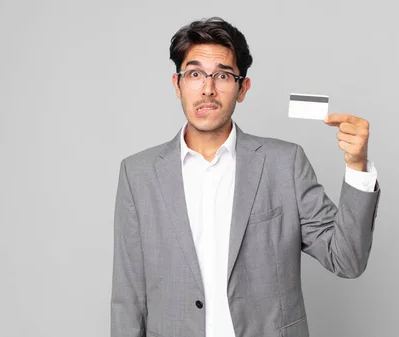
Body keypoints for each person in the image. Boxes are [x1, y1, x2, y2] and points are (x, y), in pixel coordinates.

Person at [111, 17, 381, 337]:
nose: (208, 88)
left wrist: (356, 166)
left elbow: (347, 260)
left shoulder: (285, 164)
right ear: (177, 84)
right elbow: (128, 298)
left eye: (223, 75)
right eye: (195, 73)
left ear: (242, 89)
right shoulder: (138, 174)